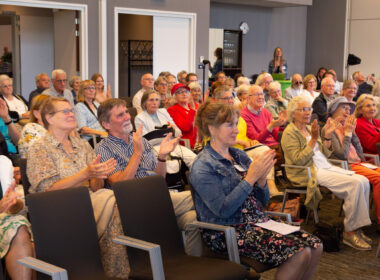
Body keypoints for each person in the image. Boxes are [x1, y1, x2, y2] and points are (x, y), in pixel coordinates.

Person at [190, 101, 322, 279]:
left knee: (316, 246)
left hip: (257, 223)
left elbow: (263, 201)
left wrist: (260, 181)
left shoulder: (239, 155)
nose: (236, 130)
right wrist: (251, 178)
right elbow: (223, 210)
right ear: (211, 129)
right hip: (227, 231)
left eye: (236, 124)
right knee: (300, 253)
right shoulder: (203, 165)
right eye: (230, 125)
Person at [26, 97, 130, 278]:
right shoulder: (40, 148)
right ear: (49, 118)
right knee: (116, 202)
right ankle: (116, 274)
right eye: (64, 111)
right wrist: (86, 174)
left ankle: (114, 273)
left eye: (71, 110)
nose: (71, 114)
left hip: (87, 203)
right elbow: (46, 192)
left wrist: (98, 175)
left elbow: (96, 187)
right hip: (55, 210)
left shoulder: (81, 145)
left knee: (115, 201)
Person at [95, 98, 200, 256]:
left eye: (125, 113)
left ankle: (190, 265)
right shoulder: (103, 149)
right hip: (131, 203)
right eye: (119, 115)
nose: (126, 117)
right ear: (106, 124)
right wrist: (137, 153)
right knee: (199, 197)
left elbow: (160, 178)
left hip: (156, 196)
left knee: (193, 220)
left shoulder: (140, 140)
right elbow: (121, 185)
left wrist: (163, 156)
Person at [282, 96, 372, 250]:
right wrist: (313, 141)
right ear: (293, 113)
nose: (308, 112)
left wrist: (328, 136)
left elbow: (326, 153)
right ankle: (350, 233)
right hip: (309, 172)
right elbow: (297, 161)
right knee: (355, 184)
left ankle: (357, 228)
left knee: (363, 180)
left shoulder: (310, 128)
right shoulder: (289, 133)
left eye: (309, 109)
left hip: (324, 166)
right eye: (303, 109)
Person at [322, 96, 380, 233]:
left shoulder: (344, 125)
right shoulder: (328, 128)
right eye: (344, 108)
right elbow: (341, 155)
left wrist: (352, 133)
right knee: (378, 179)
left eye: (349, 108)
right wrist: (348, 134)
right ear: (334, 110)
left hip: (357, 163)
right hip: (344, 166)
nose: (348, 111)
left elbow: (358, 150)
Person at [214, 85, 282, 197]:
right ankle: (255, 194)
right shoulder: (215, 117)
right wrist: (241, 141)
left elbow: (246, 135)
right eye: (227, 98)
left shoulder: (237, 116)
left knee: (265, 151)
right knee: (253, 160)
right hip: (226, 151)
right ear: (217, 101)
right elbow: (214, 139)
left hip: (242, 149)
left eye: (232, 97)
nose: (231, 100)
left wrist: (251, 141)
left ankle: (270, 185)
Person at [134, 90, 196, 186]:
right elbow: (145, 140)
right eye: (151, 100)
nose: (154, 103)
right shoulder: (140, 117)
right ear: (145, 102)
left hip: (172, 144)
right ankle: (168, 186)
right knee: (170, 164)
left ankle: (195, 185)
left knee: (194, 159)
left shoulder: (163, 112)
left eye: (157, 100)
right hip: (155, 148)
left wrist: (173, 128)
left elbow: (179, 133)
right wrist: (166, 132)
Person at [0, 156, 34, 280]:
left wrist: (13, 202)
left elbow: (13, 208)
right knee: (18, 227)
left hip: (5, 218)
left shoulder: (3, 162)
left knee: (33, 243)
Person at [74, 80, 107, 145]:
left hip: (103, 135)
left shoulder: (97, 104)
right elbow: (83, 129)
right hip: (92, 138)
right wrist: (102, 133)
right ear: (82, 91)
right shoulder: (79, 107)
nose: (92, 90)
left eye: (93, 88)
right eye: (88, 88)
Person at [167, 83, 197, 148]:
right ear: (174, 96)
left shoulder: (194, 106)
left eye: (186, 91)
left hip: (199, 143)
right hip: (185, 145)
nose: (184, 94)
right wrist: (192, 110)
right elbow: (185, 128)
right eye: (180, 92)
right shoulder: (172, 110)